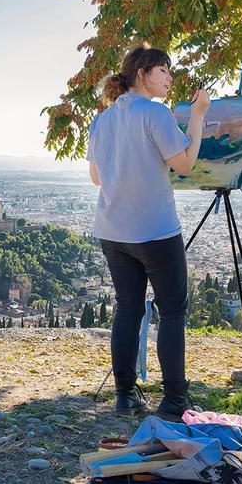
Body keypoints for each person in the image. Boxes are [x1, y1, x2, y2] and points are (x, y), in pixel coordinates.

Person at [87, 45, 210, 420]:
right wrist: (198, 116)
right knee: (172, 311)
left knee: (128, 308)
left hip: (113, 229)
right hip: (155, 228)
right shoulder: (156, 113)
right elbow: (185, 164)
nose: (170, 78)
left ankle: (125, 395)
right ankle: (174, 400)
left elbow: (96, 178)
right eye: (163, 70)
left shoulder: (102, 120)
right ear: (141, 73)